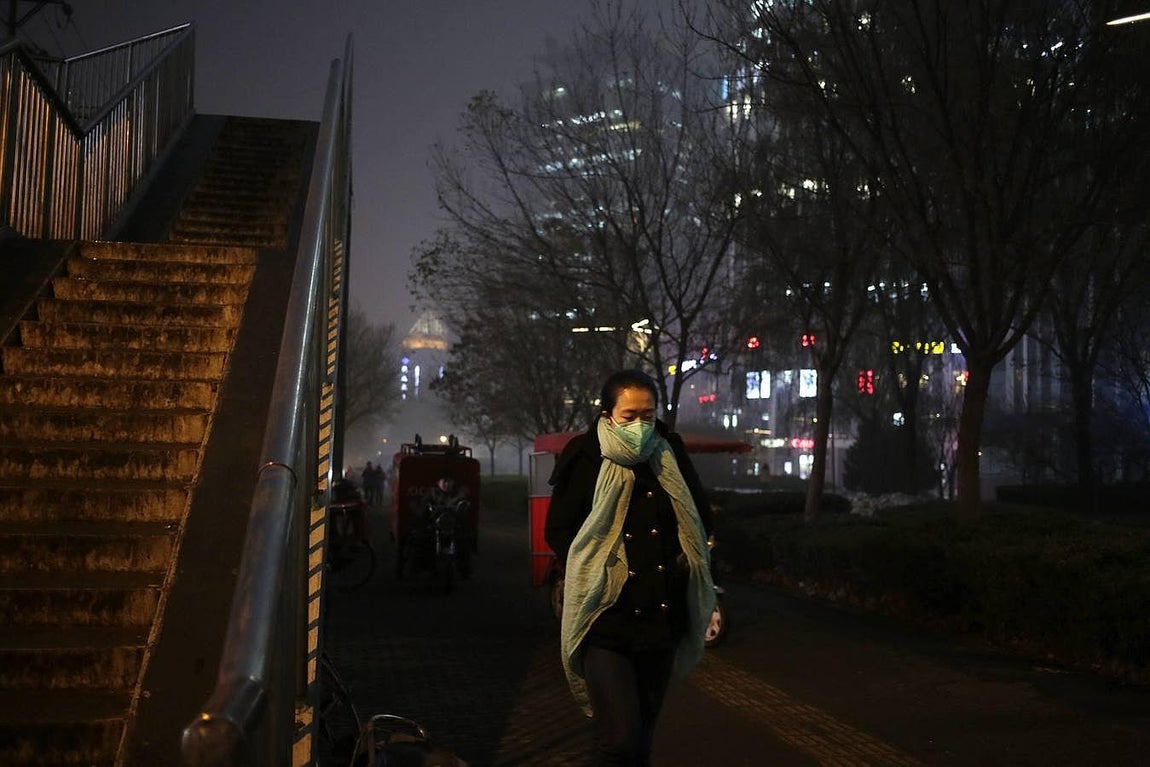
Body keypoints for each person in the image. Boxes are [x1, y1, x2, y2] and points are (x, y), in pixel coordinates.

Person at [545, 369, 714, 766]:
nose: (640, 425)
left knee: (641, 744)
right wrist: (600, 564)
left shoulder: (669, 450)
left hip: (661, 619)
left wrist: (683, 559)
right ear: (607, 415)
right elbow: (559, 529)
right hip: (605, 619)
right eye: (629, 415)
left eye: (648, 415)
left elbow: (698, 514)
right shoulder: (584, 455)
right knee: (618, 740)